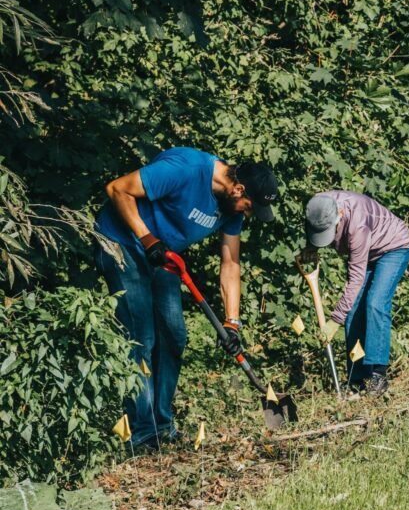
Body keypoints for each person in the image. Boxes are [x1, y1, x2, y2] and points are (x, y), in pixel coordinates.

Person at [95, 148, 279, 450]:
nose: (248, 213)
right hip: (123, 243)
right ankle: (141, 434)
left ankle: (162, 425)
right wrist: (147, 238)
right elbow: (117, 189)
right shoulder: (186, 169)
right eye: (249, 206)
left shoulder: (231, 207)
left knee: (174, 335)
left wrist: (232, 323)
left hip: (162, 255)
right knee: (141, 336)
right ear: (238, 189)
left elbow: (231, 263)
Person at [302, 191, 409, 397]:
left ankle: (378, 375)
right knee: (353, 312)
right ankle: (356, 378)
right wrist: (312, 246)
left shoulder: (357, 225)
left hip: (394, 247)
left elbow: (355, 279)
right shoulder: (317, 206)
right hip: (367, 251)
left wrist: (335, 320)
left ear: (340, 214)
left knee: (375, 303)